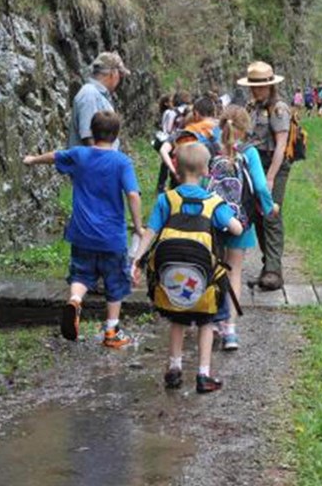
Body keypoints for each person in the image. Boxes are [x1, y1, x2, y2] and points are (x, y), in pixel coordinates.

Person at [23, 111, 144, 347]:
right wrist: (138, 226)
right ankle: (112, 331)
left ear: (92, 131)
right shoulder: (122, 162)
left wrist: (32, 159)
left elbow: (54, 156)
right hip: (111, 237)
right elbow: (132, 194)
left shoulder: (80, 155)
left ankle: (76, 300)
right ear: (116, 135)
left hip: (82, 232)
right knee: (116, 282)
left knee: (81, 274)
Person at [130, 143, 243, 393]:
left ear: (176, 170)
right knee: (206, 322)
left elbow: (150, 232)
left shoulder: (167, 200)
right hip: (204, 277)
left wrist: (136, 260)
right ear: (206, 171)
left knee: (177, 319)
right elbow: (236, 229)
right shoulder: (214, 202)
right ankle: (203, 375)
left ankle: (174, 368)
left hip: (171, 274)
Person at [208, 105, 279, 349]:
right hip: (241, 220)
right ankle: (230, 331)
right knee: (234, 271)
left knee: (214, 268)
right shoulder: (249, 152)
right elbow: (260, 187)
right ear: (245, 128)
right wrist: (270, 208)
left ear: (222, 125)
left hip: (214, 219)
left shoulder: (211, 149)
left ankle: (213, 324)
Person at [237, 61, 291, 291]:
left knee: (270, 213)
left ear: (270, 86)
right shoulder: (250, 107)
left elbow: (281, 145)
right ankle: (266, 265)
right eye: (253, 86)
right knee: (257, 215)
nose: (256, 90)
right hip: (253, 162)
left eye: (260, 86)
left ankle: (273, 271)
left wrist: (270, 177)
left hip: (273, 164)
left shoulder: (279, 109)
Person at [68, 51, 130, 148]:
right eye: (120, 75)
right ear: (113, 74)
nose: (120, 80)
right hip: (91, 163)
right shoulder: (89, 94)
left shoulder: (97, 95)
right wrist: (105, 162)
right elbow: (88, 138)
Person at [158, 95, 220, 186]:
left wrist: (174, 171)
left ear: (195, 114)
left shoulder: (186, 133)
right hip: (216, 183)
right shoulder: (223, 129)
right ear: (214, 113)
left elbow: (163, 150)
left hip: (189, 182)